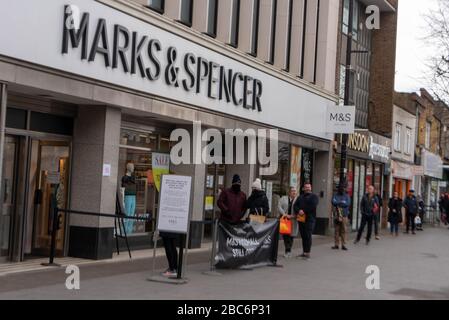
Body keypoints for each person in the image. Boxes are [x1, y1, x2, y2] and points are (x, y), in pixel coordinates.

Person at [293, 183, 319, 259]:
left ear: (311, 188)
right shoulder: (300, 197)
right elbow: (295, 206)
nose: (307, 188)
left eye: (309, 187)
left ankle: (307, 253)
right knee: (303, 236)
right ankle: (304, 252)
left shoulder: (314, 197)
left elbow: (313, 205)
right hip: (301, 219)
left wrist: (303, 211)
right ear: (303, 188)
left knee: (308, 236)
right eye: (306, 187)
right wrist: (299, 211)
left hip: (310, 219)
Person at [278, 187, 299, 258]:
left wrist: (293, 216)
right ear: (289, 192)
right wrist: (285, 214)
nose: (294, 192)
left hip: (293, 220)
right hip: (285, 220)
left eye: (295, 191)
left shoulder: (298, 200)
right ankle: (287, 250)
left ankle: (288, 250)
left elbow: (300, 209)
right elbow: (279, 206)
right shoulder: (283, 198)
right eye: (292, 191)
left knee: (291, 236)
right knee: (285, 236)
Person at [331, 184, 351, 251]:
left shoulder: (347, 196)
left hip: (344, 215)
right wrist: (342, 202)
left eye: (343, 188)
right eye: (340, 188)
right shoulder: (335, 195)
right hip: (337, 215)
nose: (342, 189)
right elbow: (333, 202)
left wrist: (338, 203)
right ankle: (336, 244)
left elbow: (347, 204)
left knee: (344, 230)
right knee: (336, 230)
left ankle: (343, 245)